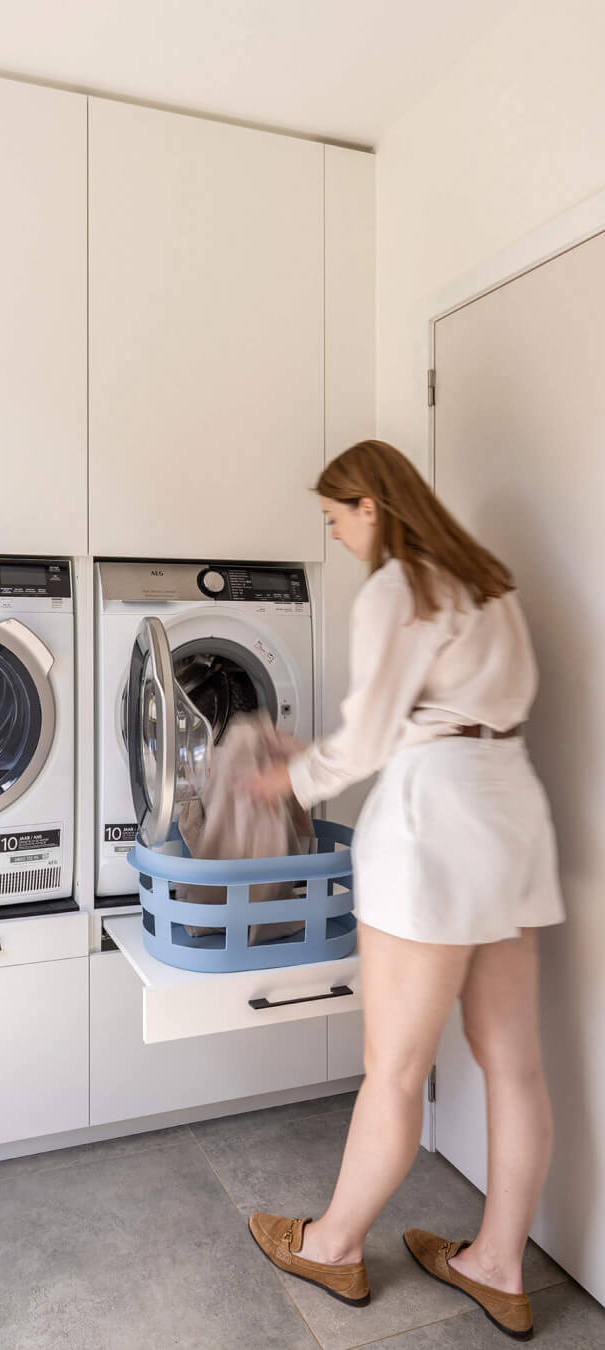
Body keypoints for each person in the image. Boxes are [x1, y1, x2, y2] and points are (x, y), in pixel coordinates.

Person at [246, 439, 564, 1343]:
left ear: (371, 506)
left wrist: (289, 781)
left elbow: (371, 735)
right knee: (514, 1061)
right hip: (511, 812)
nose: (337, 534)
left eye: (335, 518)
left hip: (435, 824)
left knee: (393, 1065)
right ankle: (498, 1264)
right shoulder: (489, 585)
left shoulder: (398, 586)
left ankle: (334, 1244)